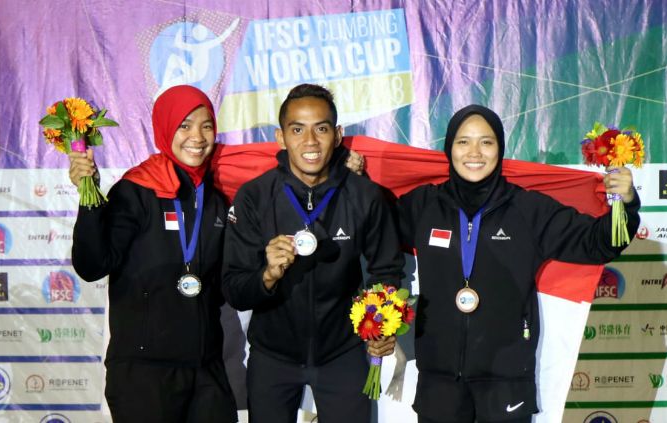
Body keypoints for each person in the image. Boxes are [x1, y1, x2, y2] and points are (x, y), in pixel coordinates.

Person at [398, 105, 640, 423]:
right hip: (438, 383)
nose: (474, 152)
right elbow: (370, 226)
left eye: (486, 142)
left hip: (506, 382)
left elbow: (597, 244)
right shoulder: (423, 204)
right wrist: (350, 177)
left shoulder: (527, 210)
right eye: (463, 142)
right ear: (449, 149)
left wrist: (625, 204)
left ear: (500, 148)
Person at [221, 83, 404, 423]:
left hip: (342, 354)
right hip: (272, 358)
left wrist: (381, 326)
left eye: (320, 128)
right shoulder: (255, 197)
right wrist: (267, 276)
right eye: (297, 129)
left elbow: (387, 270)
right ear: (280, 137)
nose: (309, 141)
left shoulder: (364, 196)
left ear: (337, 135)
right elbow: (234, 289)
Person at [68, 85, 238, 423]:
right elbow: (92, 265)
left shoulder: (216, 199)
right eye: (184, 125)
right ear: (164, 127)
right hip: (145, 374)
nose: (197, 136)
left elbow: (222, 283)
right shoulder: (136, 190)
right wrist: (89, 203)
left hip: (206, 371)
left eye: (206, 125)